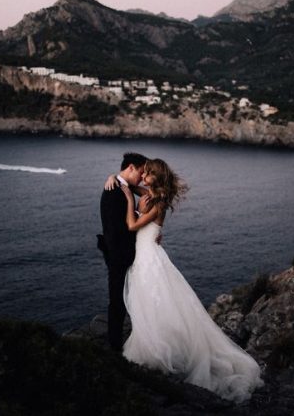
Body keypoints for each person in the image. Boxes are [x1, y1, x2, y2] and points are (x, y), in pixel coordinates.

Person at [107, 158, 263, 403]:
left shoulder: (156, 203)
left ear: (156, 178)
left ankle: (162, 351)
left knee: (154, 303)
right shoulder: (152, 196)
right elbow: (128, 185)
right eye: (143, 173)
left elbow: (131, 224)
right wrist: (114, 179)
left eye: (147, 174)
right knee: (150, 304)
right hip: (147, 254)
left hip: (149, 258)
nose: (143, 177)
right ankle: (155, 344)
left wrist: (129, 201)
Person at [98, 152, 148, 351]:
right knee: (117, 301)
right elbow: (115, 229)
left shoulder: (120, 186)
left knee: (131, 299)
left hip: (128, 253)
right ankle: (115, 347)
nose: (143, 178)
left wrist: (116, 177)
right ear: (131, 168)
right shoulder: (112, 191)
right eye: (141, 172)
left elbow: (138, 189)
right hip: (119, 255)